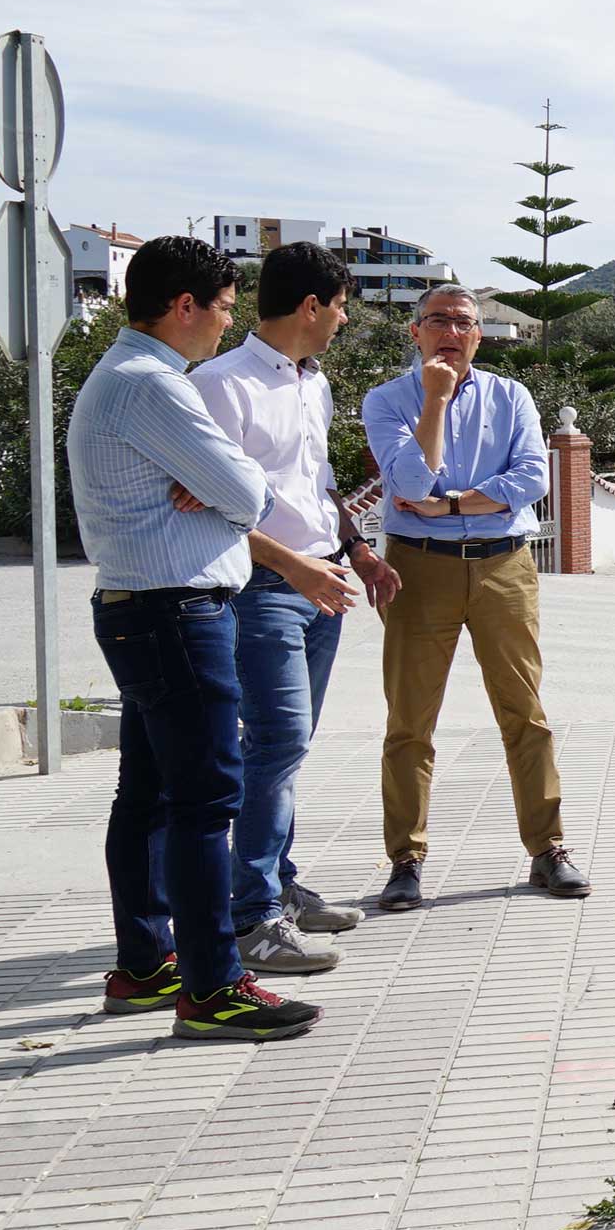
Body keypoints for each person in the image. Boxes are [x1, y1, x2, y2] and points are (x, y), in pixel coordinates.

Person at [64, 235, 321, 1044]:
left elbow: (229, 489)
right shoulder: (153, 385)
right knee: (207, 802)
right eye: (221, 309)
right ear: (184, 306)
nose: (225, 324)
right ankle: (213, 988)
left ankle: (145, 966)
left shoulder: (123, 375)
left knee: (148, 798)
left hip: (145, 607)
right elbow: (251, 492)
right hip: (178, 613)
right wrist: (223, 485)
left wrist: (212, 485)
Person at [190, 239, 401, 975]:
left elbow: (316, 483)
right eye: (340, 307)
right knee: (275, 743)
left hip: (322, 583)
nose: (343, 320)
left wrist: (356, 549)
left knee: (288, 745)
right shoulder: (220, 384)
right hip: (263, 589)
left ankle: (278, 884)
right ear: (311, 306)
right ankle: (251, 917)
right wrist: (297, 568)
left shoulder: (314, 384)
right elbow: (209, 505)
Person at [361, 284, 589, 910]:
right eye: (438, 320)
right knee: (410, 722)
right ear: (415, 332)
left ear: (479, 336)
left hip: (503, 565)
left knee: (525, 713)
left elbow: (533, 478)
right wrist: (435, 400)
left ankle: (549, 849)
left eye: (464, 322)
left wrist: (456, 503)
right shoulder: (387, 400)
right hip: (418, 568)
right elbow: (411, 484)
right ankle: (405, 860)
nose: (451, 332)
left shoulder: (510, 396)